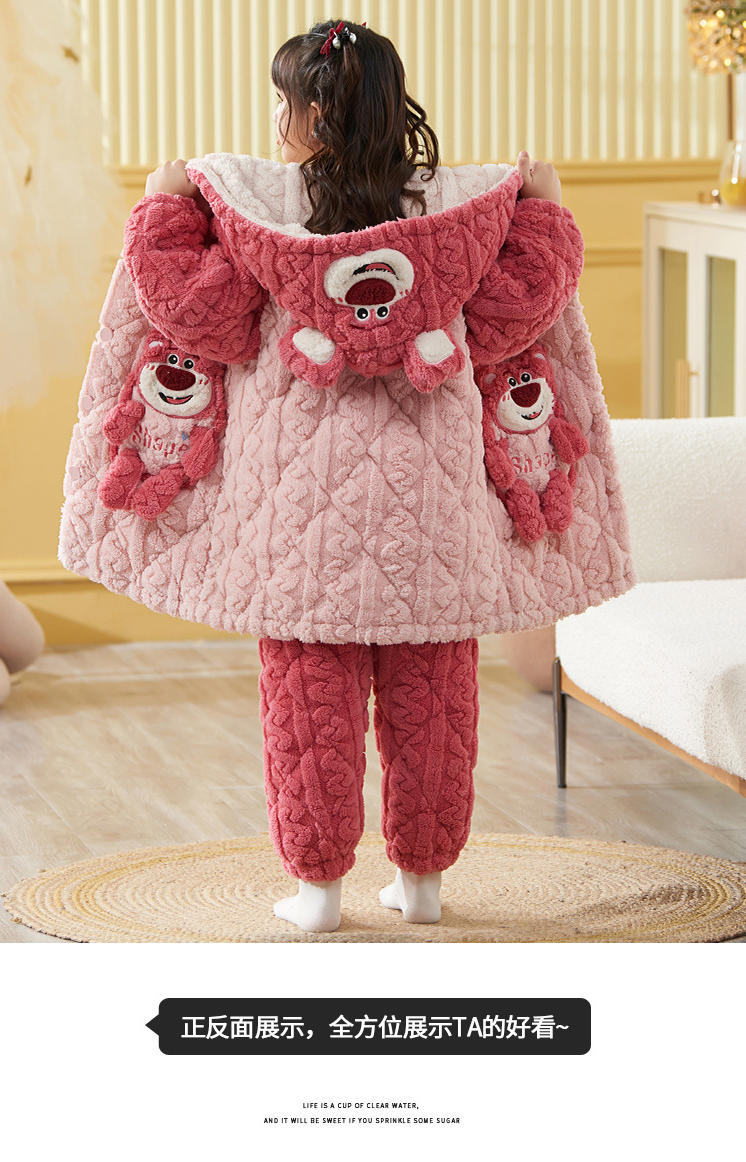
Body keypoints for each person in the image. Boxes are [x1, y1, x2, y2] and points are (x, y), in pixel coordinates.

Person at [108, 19, 590, 933]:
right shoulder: (458, 215)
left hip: (303, 517)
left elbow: (198, 314)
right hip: (433, 515)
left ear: (315, 115)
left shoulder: (259, 215)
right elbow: (517, 308)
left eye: (284, 101)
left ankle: (318, 892)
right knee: (434, 696)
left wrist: (163, 207)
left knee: (308, 699)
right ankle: (423, 886)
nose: (275, 118)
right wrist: (547, 209)